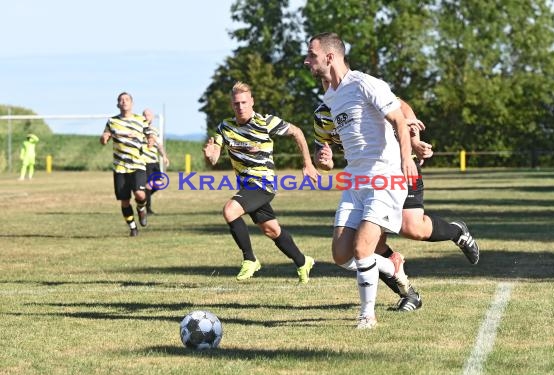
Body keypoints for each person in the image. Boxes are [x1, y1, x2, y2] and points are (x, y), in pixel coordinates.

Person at [314, 91, 480, 312]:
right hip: (366, 180)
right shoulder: (321, 115)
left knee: (411, 227)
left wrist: (415, 142)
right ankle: (408, 293)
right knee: (371, 245)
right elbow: (321, 155)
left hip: (400, 168)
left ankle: (456, 231)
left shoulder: (363, 93)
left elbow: (403, 107)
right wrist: (323, 160)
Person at [304, 32, 418, 329]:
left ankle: (368, 315)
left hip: (385, 176)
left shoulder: (365, 83)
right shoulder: (330, 96)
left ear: (329, 57)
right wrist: (325, 162)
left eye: (312, 55)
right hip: (354, 181)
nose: (307, 61)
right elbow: (346, 142)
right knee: (342, 256)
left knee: (363, 249)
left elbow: (398, 121)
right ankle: (391, 264)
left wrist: (407, 158)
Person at [203, 81, 319, 283]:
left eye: (244, 102)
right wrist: (208, 155)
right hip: (247, 187)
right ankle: (303, 262)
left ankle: (250, 259)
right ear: (232, 104)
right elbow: (214, 159)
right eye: (236, 103)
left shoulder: (265, 122)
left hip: (263, 183)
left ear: (252, 102)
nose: (240, 106)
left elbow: (297, 132)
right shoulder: (225, 127)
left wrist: (308, 163)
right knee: (271, 230)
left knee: (230, 210)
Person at [100, 92, 156, 237]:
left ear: (132, 103)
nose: (124, 102)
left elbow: (150, 132)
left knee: (139, 193)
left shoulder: (140, 119)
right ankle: (133, 227)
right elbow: (105, 135)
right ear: (118, 104)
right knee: (124, 201)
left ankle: (141, 209)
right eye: (121, 100)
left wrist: (150, 139)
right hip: (119, 167)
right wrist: (104, 138)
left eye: (126, 99)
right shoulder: (112, 121)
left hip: (137, 164)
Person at [141, 108, 170, 215]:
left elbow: (159, 145)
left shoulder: (155, 130)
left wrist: (164, 156)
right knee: (148, 185)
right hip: (145, 161)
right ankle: (148, 209)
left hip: (154, 161)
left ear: (152, 117)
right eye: (144, 115)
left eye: (148, 115)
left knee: (158, 184)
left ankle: (142, 198)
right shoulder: (140, 129)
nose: (146, 117)